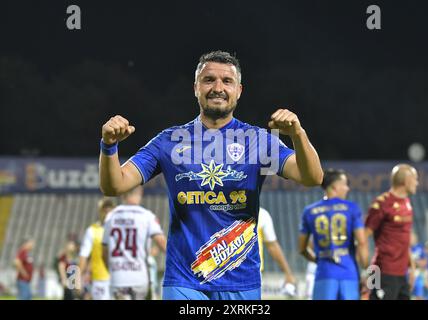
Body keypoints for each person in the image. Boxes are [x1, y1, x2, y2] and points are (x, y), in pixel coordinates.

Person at [98, 50, 323, 300]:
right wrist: (109, 146)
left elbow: (312, 177)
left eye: (227, 81)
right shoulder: (169, 141)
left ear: (239, 90)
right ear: (196, 87)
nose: (218, 87)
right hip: (184, 281)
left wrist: (298, 135)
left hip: (241, 282)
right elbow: (114, 186)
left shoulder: (259, 141)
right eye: (209, 80)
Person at [298, 169, 369, 300]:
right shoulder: (352, 208)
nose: (347, 189)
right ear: (335, 187)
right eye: (345, 184)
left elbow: (302, 249)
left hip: (324, 272)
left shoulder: (310, 211)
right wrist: (366, 269)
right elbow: (362, 242)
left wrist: (318, 259)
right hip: (349, 273)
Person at [102, 186, 167, 300]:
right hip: (139, 277)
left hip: (118, 277)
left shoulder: (111, 217)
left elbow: (104, 252)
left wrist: (113, 270)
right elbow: (161, 242)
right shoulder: (147, 216)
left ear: (122, 194)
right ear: (140, 193)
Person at [365, 164, 419, 300]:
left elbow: (404, 239)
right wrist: (365, 267)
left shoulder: (407, 202)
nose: (417, 183)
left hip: (401, 273)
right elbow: (363, 236)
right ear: (406, 181)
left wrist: (412, 268)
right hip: (381, 271)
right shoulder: (382, 203)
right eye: (415, 179)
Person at [78, 197, 116, 300]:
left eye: (110, 209)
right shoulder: (91, 231)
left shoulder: (120, 229)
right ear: (100, 211)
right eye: (105, 209)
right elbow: (83, 256)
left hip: (120, 279)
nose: (108, 212)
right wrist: (76, 280)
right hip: (100, 281)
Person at [257, 207, 297, 298]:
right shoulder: (260, 213)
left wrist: (288, 273)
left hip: (252, 273)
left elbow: (272, 246)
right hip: (223, 273)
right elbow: (272, 246)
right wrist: (288, 273)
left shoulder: (261, 214)